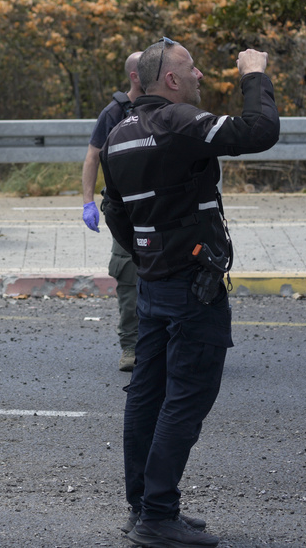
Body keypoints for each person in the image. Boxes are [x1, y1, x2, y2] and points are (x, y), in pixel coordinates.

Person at [100, 39, 279, 547]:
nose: (200, 74)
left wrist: (149, 258)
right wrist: (254, 74)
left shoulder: (119, 134)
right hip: (191, 288)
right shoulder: (178, 122)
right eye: (191, 68)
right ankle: (158, 516)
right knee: (186, 400)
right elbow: (260, 131)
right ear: (172, 82)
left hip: (154, 285)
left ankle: (142, 508)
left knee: (146, 398)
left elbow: (116, 212)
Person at [81, 51, 143, 372]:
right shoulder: (114, 113)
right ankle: (131, 347)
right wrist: (88, 201)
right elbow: (92, 157)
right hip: (124, 211)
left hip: (159, 206)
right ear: (136, 75)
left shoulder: (166, 106)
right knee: (128, 276)